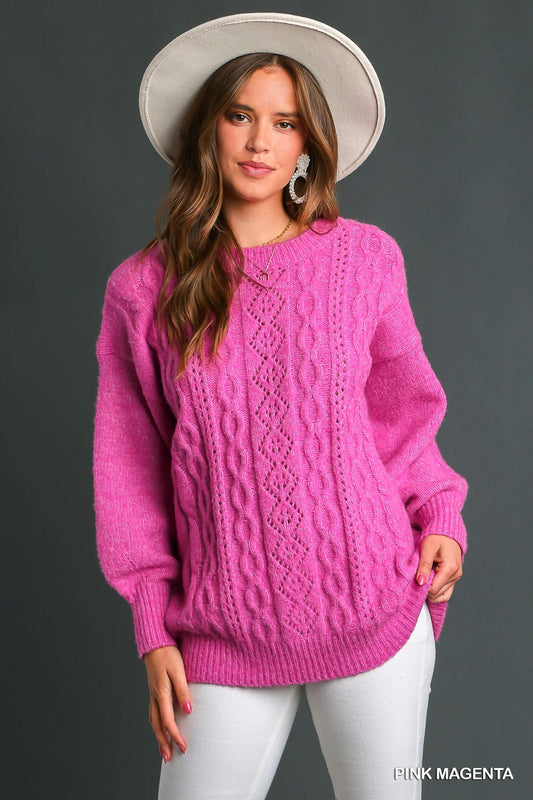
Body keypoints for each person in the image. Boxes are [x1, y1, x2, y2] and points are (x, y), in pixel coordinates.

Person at [92, 12, 469, 800]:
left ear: (308, 144)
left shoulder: (364, 258)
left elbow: (403, 415)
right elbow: (130, 471)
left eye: (285, 122)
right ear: (208, 130)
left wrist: (438, 515)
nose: (260, 141)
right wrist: (152, 627)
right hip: (221, 629)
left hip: (370, 607)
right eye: (240, 116)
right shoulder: (143, 288)